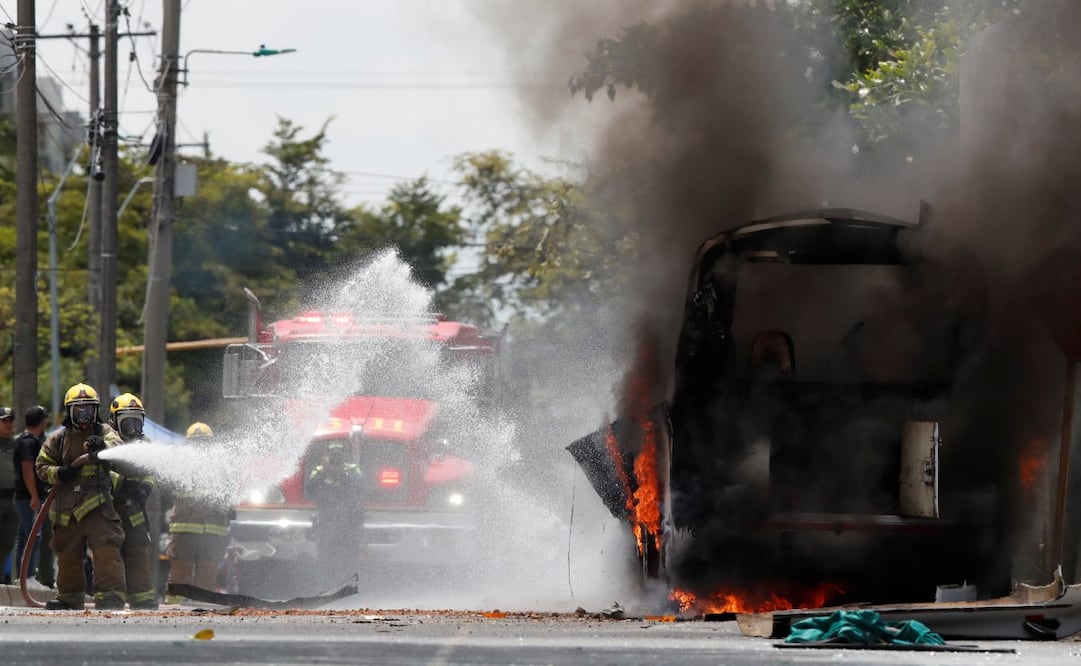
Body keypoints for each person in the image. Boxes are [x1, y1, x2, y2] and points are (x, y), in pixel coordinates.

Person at [35, 383, 125, 610]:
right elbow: (41, 466)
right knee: (67, 553)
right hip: (66, 509)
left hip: (98, 506)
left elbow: (117, 445)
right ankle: (70, 597)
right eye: (79, 410)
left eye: (88, 409)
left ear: (96, 411)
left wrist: (102, 446)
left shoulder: (104, 432)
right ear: (70, 412)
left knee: (106, 550)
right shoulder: (58, 439)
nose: (84, 415)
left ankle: (110, 596)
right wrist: (61, 473)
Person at [166, 423, 231, 594]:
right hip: (186, 528)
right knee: (181, 571)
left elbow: (230, 494)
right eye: (196, 443)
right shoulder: (180, 466)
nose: (200, 447)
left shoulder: (221, 466)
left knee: (207, 573)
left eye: (203, 442)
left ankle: (203, 606)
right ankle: (175, 608)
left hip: (210, 531)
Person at [108, 393, 158, 610]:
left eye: (136, 420)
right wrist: (121, 484)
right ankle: (113, 597)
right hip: (110, 508)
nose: (132, 426)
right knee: (111, 553)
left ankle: (142, 597)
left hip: (135, 508)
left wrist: (145, 487)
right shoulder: (108, 441)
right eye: (127, 421)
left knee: (138, 549)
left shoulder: (146, 445)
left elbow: (154, 472)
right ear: (114, 421)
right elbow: (98, 472)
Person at [307, 441, 364, 576]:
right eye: (333, 454)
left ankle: (350, 572)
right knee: (326, 547)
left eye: (339, 454)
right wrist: (325, 472)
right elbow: (310, 488)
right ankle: (325, 573)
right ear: (327, 455)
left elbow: (360, 487)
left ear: (344, 455)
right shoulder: (319, 470)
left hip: (349, 516)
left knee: (351, 545)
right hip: (327, 515)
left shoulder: (352, 469)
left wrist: (344, 475)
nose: (336, 457)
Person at [12, 405, 54, 588]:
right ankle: (28, 577)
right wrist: (35, 497)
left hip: (22, 497)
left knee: (24, 536)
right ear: (43, 421)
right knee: (33, 536)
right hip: (28, 498)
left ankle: (23, 577)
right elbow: (28, 470)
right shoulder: (29, 442)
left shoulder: (23, 440)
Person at [0, 406, 18, 584]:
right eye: (4, 420)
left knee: (7, 542)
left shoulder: (16, 443)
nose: (8, 424)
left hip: (12, 498)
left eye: (10, 420)